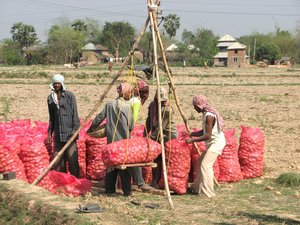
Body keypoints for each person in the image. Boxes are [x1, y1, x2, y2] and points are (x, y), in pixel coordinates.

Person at [87, 82, 134, 196]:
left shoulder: (110, 104)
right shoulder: (128, 107)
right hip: (124, 142)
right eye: (129, 92)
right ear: (125, 93)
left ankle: (110, 190)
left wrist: (92, 128)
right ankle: (127, 192)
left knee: (111, 165)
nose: (130, 94)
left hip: (112, 140)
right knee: (124, 166)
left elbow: (99, 117)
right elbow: (131, 126)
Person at [186, 94, 226, 197]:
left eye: (195, 106)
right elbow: (204, 131)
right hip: (212, 143)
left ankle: (208, 192)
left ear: (199, 105)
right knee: (200, 162)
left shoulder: (209, 116)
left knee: (205, 165)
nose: (194, 108)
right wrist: (192, 133)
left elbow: (207, 136)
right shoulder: (205, 114)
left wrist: (193, 140)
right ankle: (196, 188)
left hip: (216, 143)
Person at [47, 74, 80, 178]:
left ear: (62, 84)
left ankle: (76, 182)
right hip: (58, 134)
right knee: (58, 160)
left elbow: (75, 114)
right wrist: (49, 134)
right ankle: (63, 181)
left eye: (58, 83)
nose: (57, 85)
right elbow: (52, 118)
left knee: (72, 159)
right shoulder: (50, 98)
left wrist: (75, 131)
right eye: (55, 83)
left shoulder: (70, 96)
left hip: (69, 133)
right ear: (52, 84)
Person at [144, 87, 178, 188]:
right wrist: (145, 133)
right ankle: (155, 181)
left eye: (164, 100)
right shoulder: (152, 106)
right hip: (157, 134)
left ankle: (164, 182)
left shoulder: (167, 110)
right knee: (155, 158)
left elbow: (160, 127)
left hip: (168, 135)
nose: (163, 102)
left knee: (164, 158)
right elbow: (149, 120)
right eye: (161, 101)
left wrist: (150, 139)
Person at [128, 79, 154, 191]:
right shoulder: (136, 102)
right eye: (147, 93)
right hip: (126, 132)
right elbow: (132, 120)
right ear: (143, 93)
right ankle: (139, 182)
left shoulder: (130, 99)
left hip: (122, 130)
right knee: (135, 156)